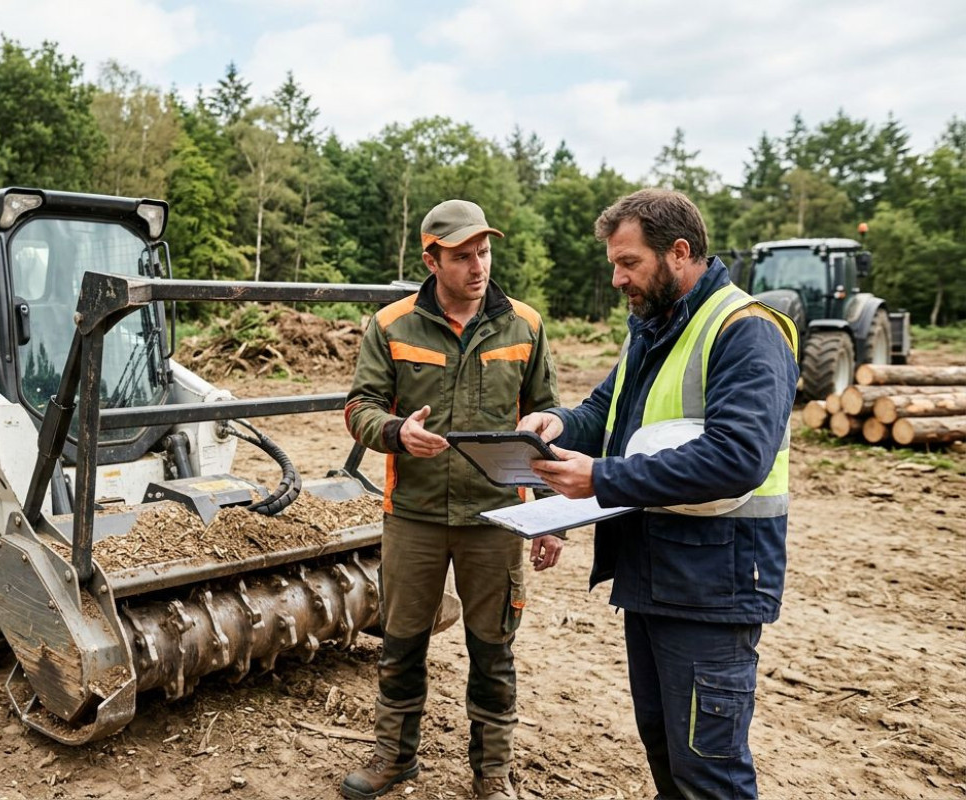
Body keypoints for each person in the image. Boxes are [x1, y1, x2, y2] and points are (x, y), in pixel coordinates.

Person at [519, 188, 798, 799]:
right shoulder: (654, 325)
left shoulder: (746, 331)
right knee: (668, 755)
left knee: (709, 771)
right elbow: (606, 410)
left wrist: (602, 478)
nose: (617, 278)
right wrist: (558, 424)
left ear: (679, 252)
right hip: (655, 576)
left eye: (629, 262)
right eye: (614, 264)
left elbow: (738, 456)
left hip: (713, 584)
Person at [342, 199, 564, 800]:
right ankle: (394, 757)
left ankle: (493, 772)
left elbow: (544, 424)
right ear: (431, 258)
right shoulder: (390, 325)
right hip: (412, 515)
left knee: (493, 648)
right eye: (462, 256)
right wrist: (397, 433)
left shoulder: (525, 325)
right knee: (402, 642)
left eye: (484, 252)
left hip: (496, 517)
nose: (477, 266)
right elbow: (358, 407)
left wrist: (548, 518)